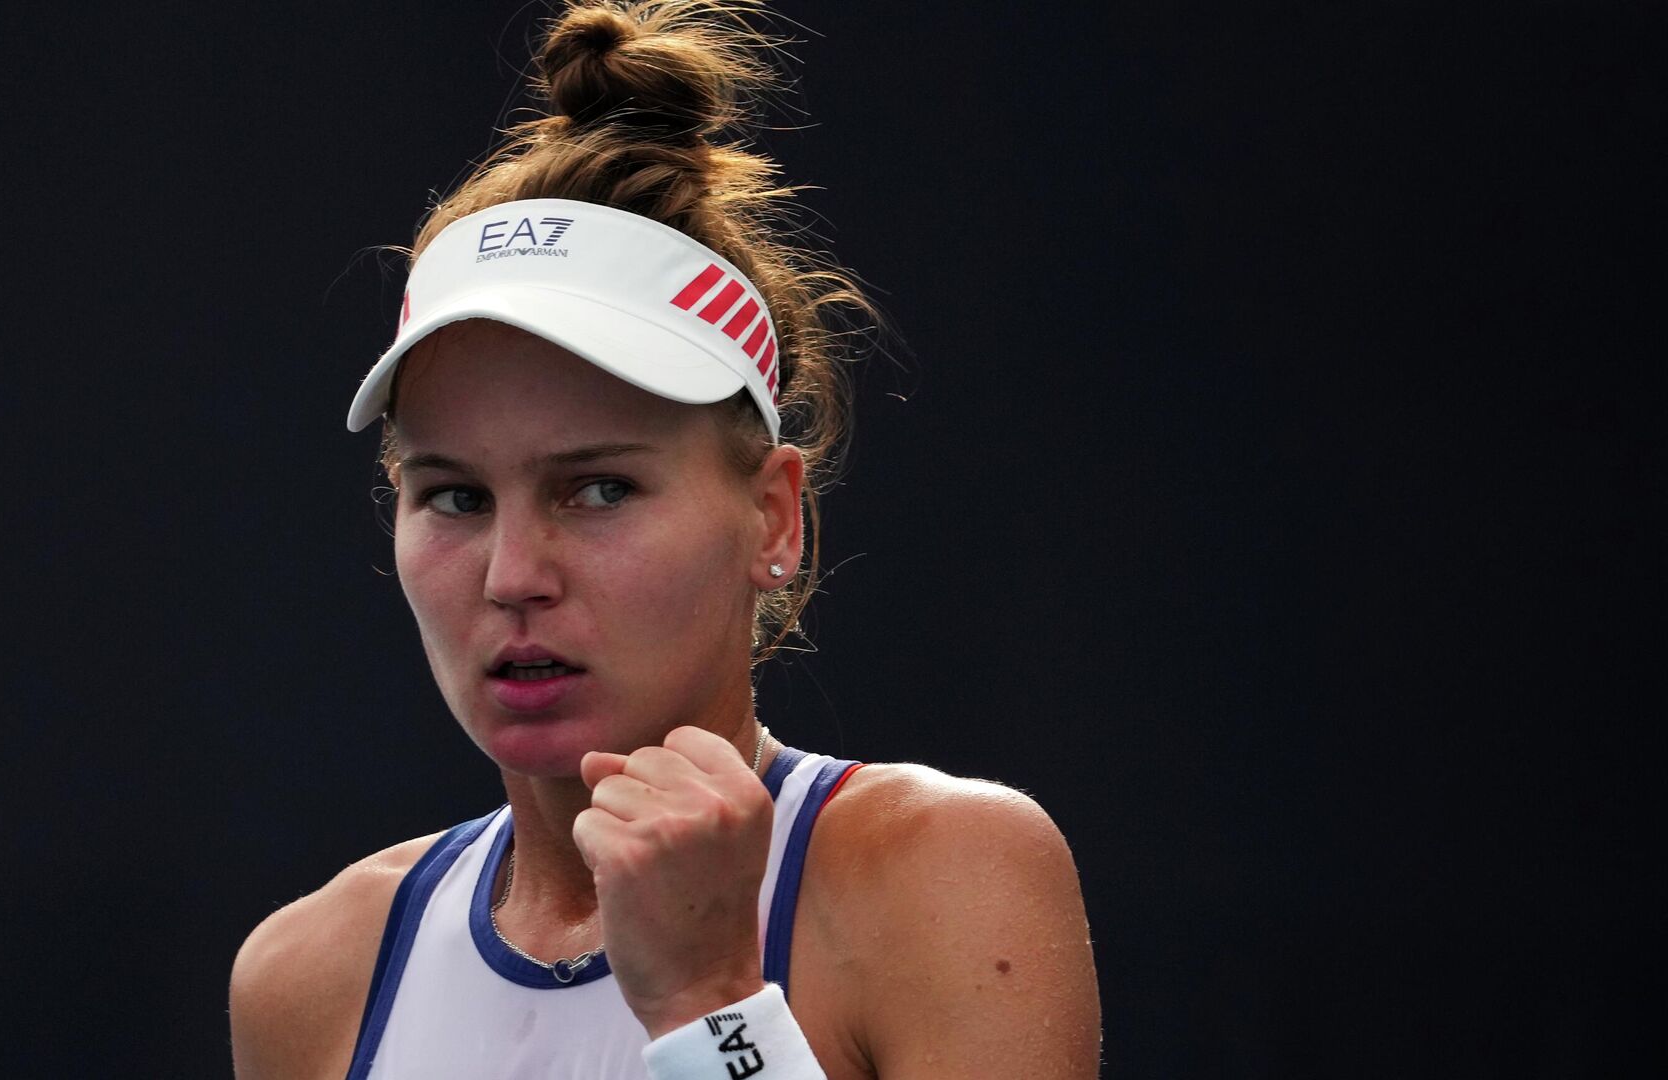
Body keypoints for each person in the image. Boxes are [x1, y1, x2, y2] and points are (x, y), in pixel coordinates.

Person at [230, 3, 1100, 1076]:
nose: (513, 576)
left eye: (598, 489)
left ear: (773, 517)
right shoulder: (307, 977)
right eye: (455, 497)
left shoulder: (946, 874)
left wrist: (706, 1001)